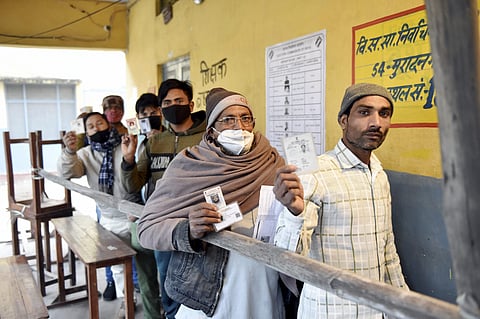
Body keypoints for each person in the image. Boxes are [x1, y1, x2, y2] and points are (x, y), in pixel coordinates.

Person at [136, 87, 287, 319]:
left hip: (264, 288)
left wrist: (296, 210)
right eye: (228, 119)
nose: (239, 126)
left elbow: (289, 227)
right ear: (212, 130)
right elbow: (146, 229)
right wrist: (188, 230)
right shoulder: (189, 165)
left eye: (245, 118)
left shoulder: (272, 163)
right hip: (207, 294)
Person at [273, 83, 409, 318]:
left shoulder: (378, 175)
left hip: (377, 311)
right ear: (343, 120)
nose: (376, 122)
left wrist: (404, 305)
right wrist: (294, 213)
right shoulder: (315, 174)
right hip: (330, 311)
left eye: (384, 113)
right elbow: (288, 256)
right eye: (364, 112)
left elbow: (388, 251)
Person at [122, 79, 206, 319]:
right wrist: (128, 160)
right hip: (164, 226)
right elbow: (134, 183)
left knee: (199, 287)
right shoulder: (154, 141)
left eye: (179, 101)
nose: (173, 106)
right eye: (167, 102)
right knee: (168, 284)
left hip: (198, 224)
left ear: (191, 104)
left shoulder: (206, 138)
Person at [58, 112, 141, 317]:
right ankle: (126, 300)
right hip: (109, 218)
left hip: (136, 215)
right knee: (117, 266)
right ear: (86, 133)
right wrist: (69, 151)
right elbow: (67, 172)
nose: (96, 129)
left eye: (100, 123)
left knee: (146, 264)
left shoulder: (126, 144)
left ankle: (152, 301)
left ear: (109, 125)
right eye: (91, 127)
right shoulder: (85, 154)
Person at [123, 92, 165, 319]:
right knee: (147, 278)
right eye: (144, 114)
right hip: (138, 219)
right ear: (138, 117)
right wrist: (132, 208)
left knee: (168, 276)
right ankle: (151, 315)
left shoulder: (171, 140)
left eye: (154, 112)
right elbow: (130, 182)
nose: (149, 117)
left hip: (165, 221)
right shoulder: (135, 143)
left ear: (162, 113)